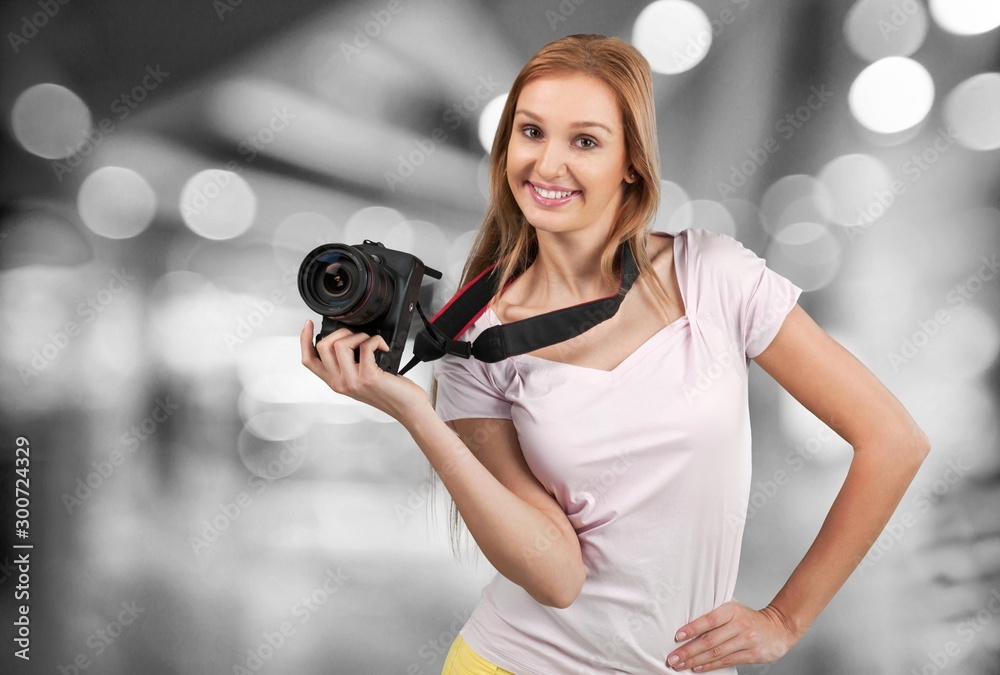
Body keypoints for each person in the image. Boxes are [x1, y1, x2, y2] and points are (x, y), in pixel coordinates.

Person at [300, 34, 930, 675]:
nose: (547, 166)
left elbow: (892, 440)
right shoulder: (474, 339)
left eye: (585, 141)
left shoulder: (713, 277)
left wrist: (785, 619)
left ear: (631, 161)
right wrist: (415, 413)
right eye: (531, 132)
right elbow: (556, 576)